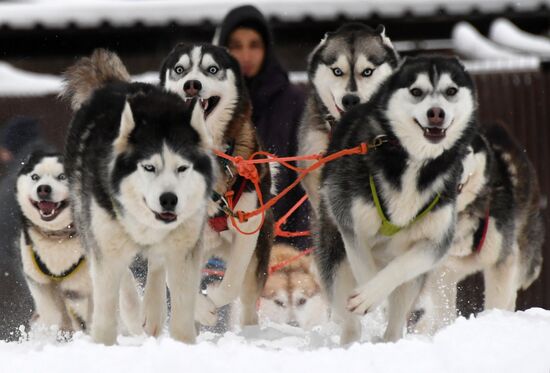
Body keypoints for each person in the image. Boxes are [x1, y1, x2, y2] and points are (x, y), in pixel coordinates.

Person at [214, 5, 310, 249]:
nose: (245, 56)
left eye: (254, 45)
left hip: (281, 243)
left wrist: (294, 245)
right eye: (236, 45)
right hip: (218, 244)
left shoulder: (294, 102)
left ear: (267, 49)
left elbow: (306, 182)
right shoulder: (210, 104)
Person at [0, 116, 55, 341]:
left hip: (32, 253)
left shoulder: (20, 174)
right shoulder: (51, 159)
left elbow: (4, 220)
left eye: (3, 146)